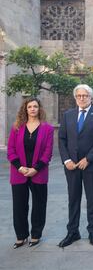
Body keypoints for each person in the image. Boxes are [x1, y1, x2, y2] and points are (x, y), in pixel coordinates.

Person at [58, 84, 93, 247]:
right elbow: (62, 139)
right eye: (79, 96)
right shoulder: (68, 115)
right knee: (73, 199)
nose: (81, 98)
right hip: (71, 166)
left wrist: (88, 158)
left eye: (85, 96)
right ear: (75, 98)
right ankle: (73, 232)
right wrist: (67, 160)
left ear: (91, 97)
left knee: (92, 199)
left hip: (91, 165)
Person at [7, 97, 54, 249]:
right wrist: (20, 167)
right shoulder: (16, 127)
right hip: (18, 173)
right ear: (25, 109)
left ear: (39, 109)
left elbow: (47, 152)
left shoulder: (47, 129)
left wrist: (36, 169)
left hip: (38, 173)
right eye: (29, 107)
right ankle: (21, 236)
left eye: (35, 106)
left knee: (39, 205)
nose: (33, 109)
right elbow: (10, 151)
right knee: (19, 206)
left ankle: (35, 235)